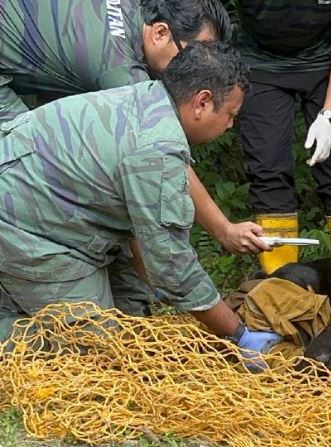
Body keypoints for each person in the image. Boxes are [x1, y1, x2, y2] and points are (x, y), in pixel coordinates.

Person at [0, 42, 280, 360]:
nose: (230, 125)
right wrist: (238, 334)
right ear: (202, 102)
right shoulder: (157, 150)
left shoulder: (148, 96)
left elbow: (144, 235)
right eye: (230, 115)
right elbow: (173, 267)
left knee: (133, 321)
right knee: (95, 352)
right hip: (23, 226)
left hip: (58, 211)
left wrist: (159, 281)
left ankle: (23, 295)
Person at [0, 0, 267, 257]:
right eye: (190, 56)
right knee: (31, 156)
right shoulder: (118, 65)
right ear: (161, 32)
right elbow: (162, 152)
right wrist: (224, 229)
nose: (196, 71)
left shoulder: (134, 12)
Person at [226, 0, 331, 274]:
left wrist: (329, 116)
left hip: (328, 64)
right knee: (269, 169)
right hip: (260, 64)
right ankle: (281, 287)